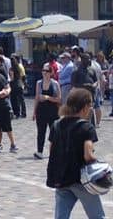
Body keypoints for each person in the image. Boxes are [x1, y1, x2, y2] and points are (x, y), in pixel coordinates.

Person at [47, 88, 105, 219]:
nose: (90, 109)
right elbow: (88, 155)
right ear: (84, 107)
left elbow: (51, 151)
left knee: (61, 217)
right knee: (97, 216)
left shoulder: (56, 124)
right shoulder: (86, 127)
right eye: (90, 105)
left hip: (61, 178)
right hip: (81, 180)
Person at [33, 62, 61, 159]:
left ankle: (54, 151)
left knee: (54, 131)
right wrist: (34, 112)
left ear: (51, 72)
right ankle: (39, 151)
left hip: (53, 110)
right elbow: (36, 97)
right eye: (43, 71)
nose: (44, 73)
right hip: (41, 110)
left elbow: (59, 99)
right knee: (41, 131)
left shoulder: (55, 83)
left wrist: (48, 98)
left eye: (47, 71)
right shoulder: (39, 83)